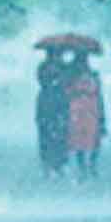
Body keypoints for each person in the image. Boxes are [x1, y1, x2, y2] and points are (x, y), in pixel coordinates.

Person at [66, 52, 106, 181]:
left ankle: (89, 165)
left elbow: (99, 95)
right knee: (82, 140)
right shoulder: (73, 78)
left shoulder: (91, 76)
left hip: (87, 110)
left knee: (91, 139)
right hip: (81, 111)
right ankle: (85, 167)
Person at [36, 48, 71, 178]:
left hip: (60, 103)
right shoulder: (43, 67)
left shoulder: (65, 67)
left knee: (61, 134)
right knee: (46, 135)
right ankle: (47, 163)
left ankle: (60, 163)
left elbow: (68, 81)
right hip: (46, 104)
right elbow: (41, 81)